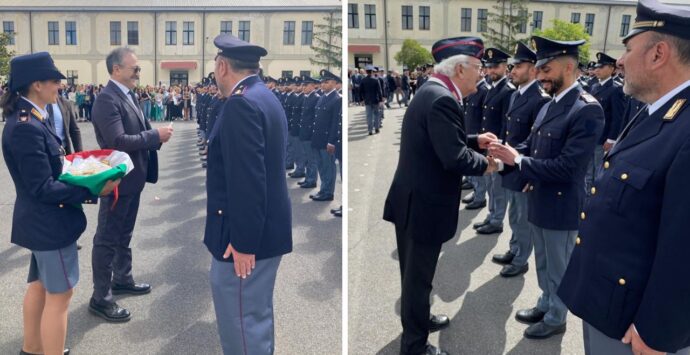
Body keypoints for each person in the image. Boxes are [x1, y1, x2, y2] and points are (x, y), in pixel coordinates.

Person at [558, 0, 690, 354]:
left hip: (637, 328)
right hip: (605, 302)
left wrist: (657, 331)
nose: (620, 60)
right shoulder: (657, 110)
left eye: (629, 48)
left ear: (658, 54)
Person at [383, 37, 500, 355]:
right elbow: (454, 158)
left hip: (414, 200)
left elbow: (444, 139)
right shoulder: (442, 99)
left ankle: (418, 320)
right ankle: (415, 346)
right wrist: (489, 164)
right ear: (460, 68)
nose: (481, 73)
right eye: (478, 67)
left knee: (415, 277)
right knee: (417, 280)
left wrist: (475, 140)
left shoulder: (434, 91)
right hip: (423, 205)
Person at [1, 52, 118, 355]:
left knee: (40, 287)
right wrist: (94, 189)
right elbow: (42, 187)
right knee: (60, 295)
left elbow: (49, 171)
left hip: (42, 222)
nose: (60, 86)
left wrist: (86, 171)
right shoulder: (27, 125)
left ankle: (32, 349)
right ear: (36, 84)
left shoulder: (31, 116)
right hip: (49, 223)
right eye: (55, 81)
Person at [489, 35, 604, 340]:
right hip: (539, 196)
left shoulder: (586, 109)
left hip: (562, 203)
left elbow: (568, 167)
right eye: (539, 69)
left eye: (546, 69)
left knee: (559, 267)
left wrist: (521, 162)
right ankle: (545, 302)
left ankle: (556, 318)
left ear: (569, 66)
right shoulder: (550, 103)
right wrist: (505, 156)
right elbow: (534, 145)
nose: (540, 76)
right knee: (542, 262)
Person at [204, 33, 292, 355]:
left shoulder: (241, 105)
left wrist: (243, 243)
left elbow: (247, 182)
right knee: (254, 318)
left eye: (215, 65)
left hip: (243, 240)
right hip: (264, 230)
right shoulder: (262, 96)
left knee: (241, 325)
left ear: (223, 66)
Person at [89, 47, 173, 322]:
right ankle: (101, 298)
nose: (139, 73)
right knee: (107, 239)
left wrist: (153, 136)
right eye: (134, 68)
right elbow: (118, 142)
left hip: (132, 180)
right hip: (116, 181)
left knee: (123, 234)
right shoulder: (106, 99)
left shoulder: (127, 95)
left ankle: (122, 278)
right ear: (117, 70)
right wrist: (155, 135)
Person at [492, 41, 551, 277]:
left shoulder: (540, 98)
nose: (512, 70)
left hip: (522, 167)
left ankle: (521, 259)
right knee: (514, 214)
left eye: (518, 66)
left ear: (532, 68)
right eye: (513, 66)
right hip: (509, 165)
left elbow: (538, 143)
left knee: (522, 217)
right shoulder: (517, 94)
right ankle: (515, 247)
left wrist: (530, 173)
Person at [585, 52, 625, 196]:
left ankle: (594, 198)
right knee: (588, 171)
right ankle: (586, 198)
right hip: (590, 136)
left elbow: (617, 117)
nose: (597, 70)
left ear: (612, 69)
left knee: (599, 171)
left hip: (602, 139)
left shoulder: (615, 89)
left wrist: (611, 139)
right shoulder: (594, 87)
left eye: (601, 67)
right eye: (596, 67)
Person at [360, 65, 383, 135]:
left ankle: (370, 130)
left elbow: (360, 91)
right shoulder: (376, 80)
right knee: (376, 114)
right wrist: (381, 100)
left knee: (369, 116)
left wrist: (361, 100)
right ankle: (376, 128)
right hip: (375, 100)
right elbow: (379, 91)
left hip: (367, 100)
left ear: (366, 72)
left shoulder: (363, 80)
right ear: (372, 72)